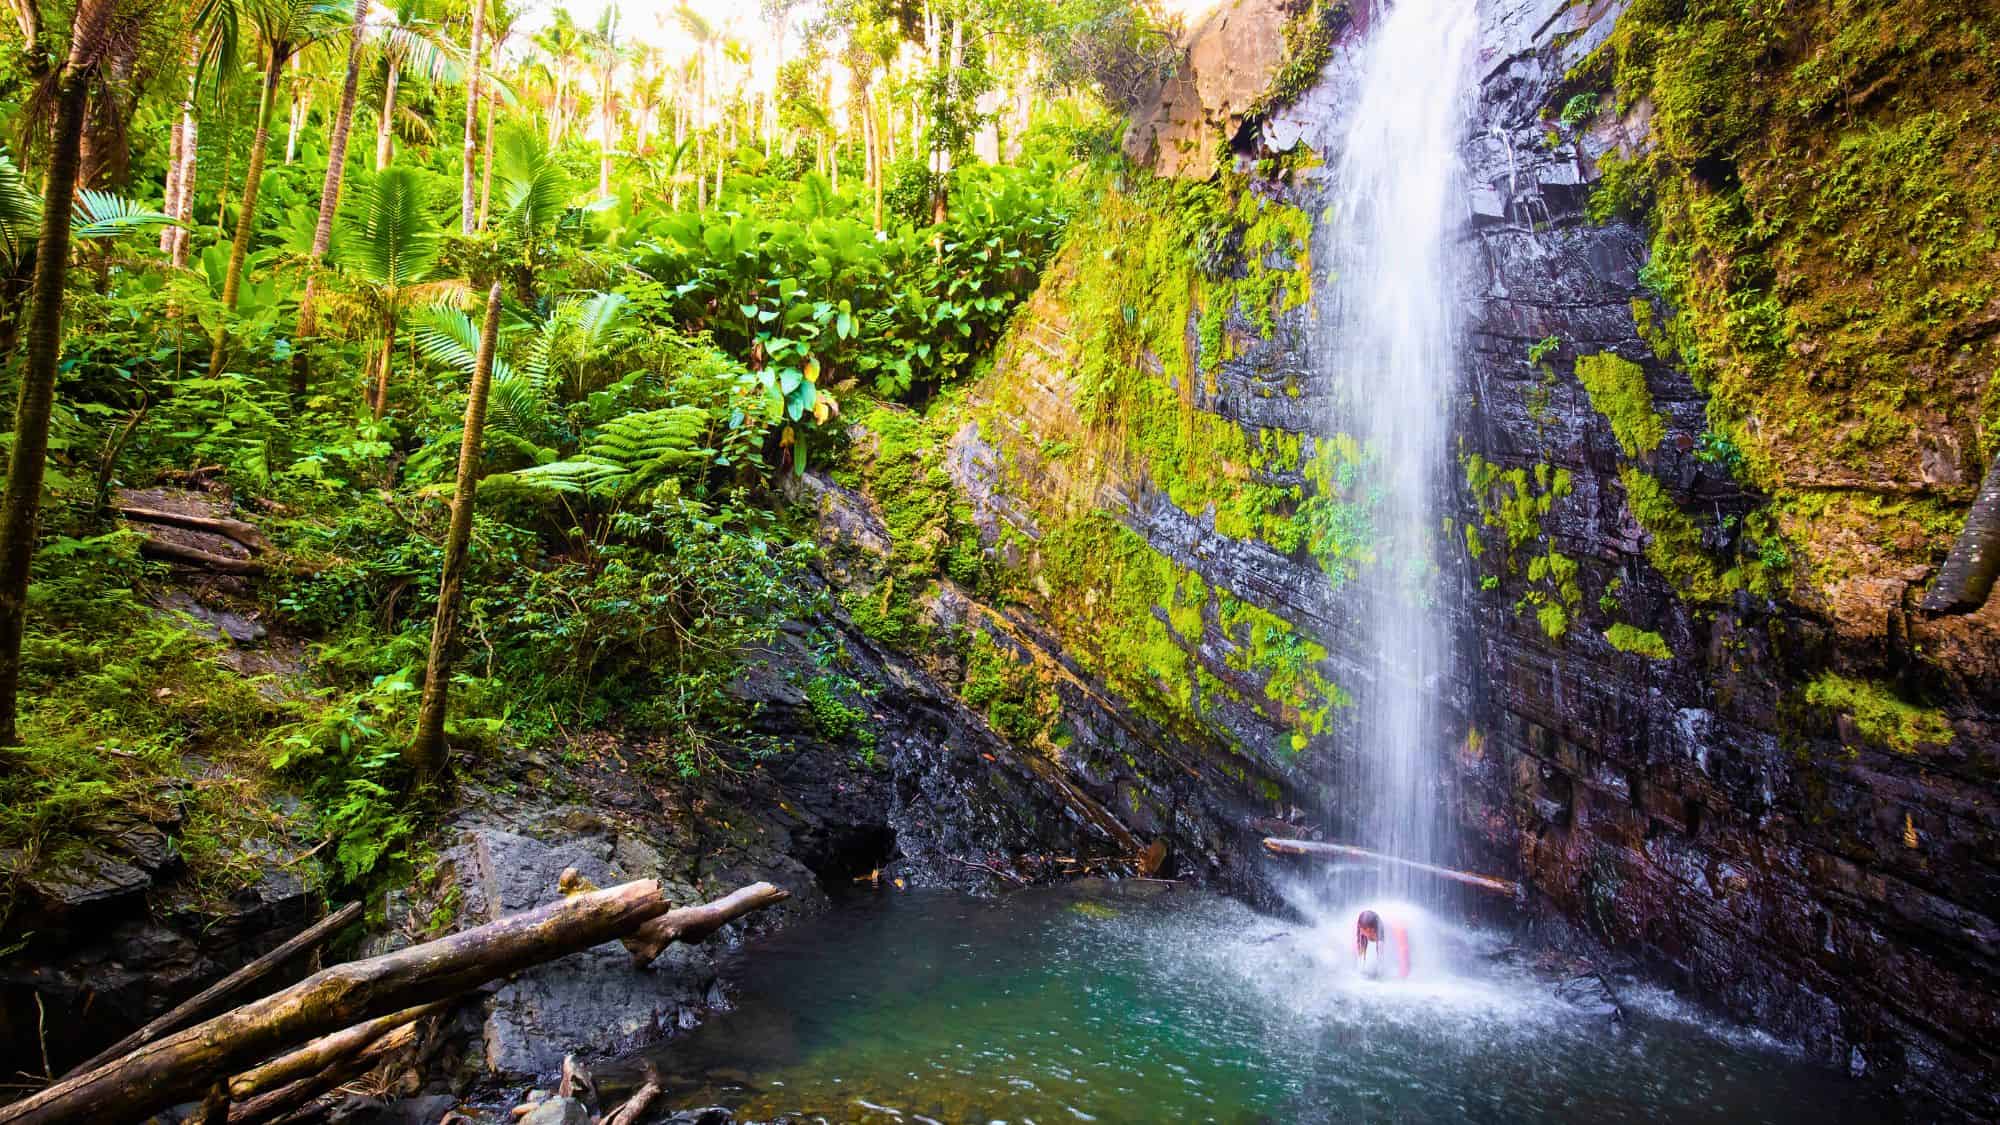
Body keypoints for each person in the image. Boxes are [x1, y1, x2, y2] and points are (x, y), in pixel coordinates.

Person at [1354, 909, 1412, 979]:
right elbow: (1357, 950)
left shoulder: (1398, 928)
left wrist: (1404, 975)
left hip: (1404, 940)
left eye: (1371, 932)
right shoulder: (1360, 926)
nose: (1369, 935)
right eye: (1365, 931)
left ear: (1376, 928)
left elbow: (1403, 949)